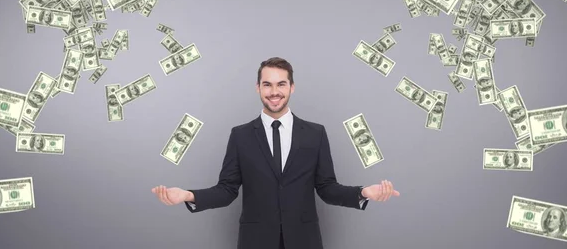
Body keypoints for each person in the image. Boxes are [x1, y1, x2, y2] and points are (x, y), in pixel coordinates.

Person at [151, 57, 399, 249]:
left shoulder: (315, 133)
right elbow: (226, 190)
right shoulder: (241, 135)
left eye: (281, 84)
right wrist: (188, 195)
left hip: (304, 241)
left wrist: (363, 192)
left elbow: (326, 187)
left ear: (292, 87)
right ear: (258, 88)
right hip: (255, 241)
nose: (274, 91)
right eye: (267, 84)